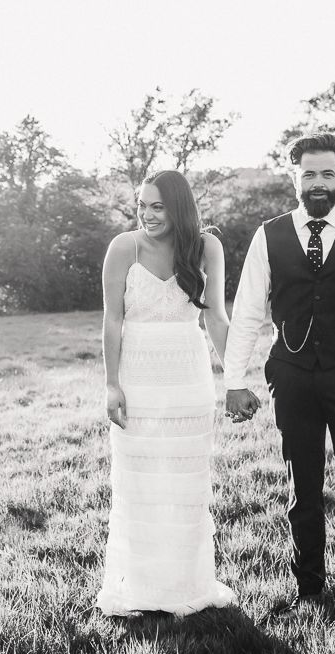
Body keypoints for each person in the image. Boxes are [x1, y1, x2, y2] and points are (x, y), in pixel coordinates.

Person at [224, 133, 335, 624]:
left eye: (328, 174)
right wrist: (234, 379)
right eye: (309, 174)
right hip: (292, 375)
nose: (319, 183)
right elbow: (246, 313)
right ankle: (310, 589)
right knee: (302, 487)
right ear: (294, 177)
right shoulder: (270, 235)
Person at [96, 170, 236, 617]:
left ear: (178, 208)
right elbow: (112, 319)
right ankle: (141, 588)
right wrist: (112, 383)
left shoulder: (207, 247)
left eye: (158, 206)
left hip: (189, 379)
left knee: (185, 489)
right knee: (139, 487)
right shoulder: (124, 247)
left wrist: (237, 376)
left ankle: (185, 588)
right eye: (142, 205)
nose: (148, 214)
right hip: (137, 379)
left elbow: (216, 319)